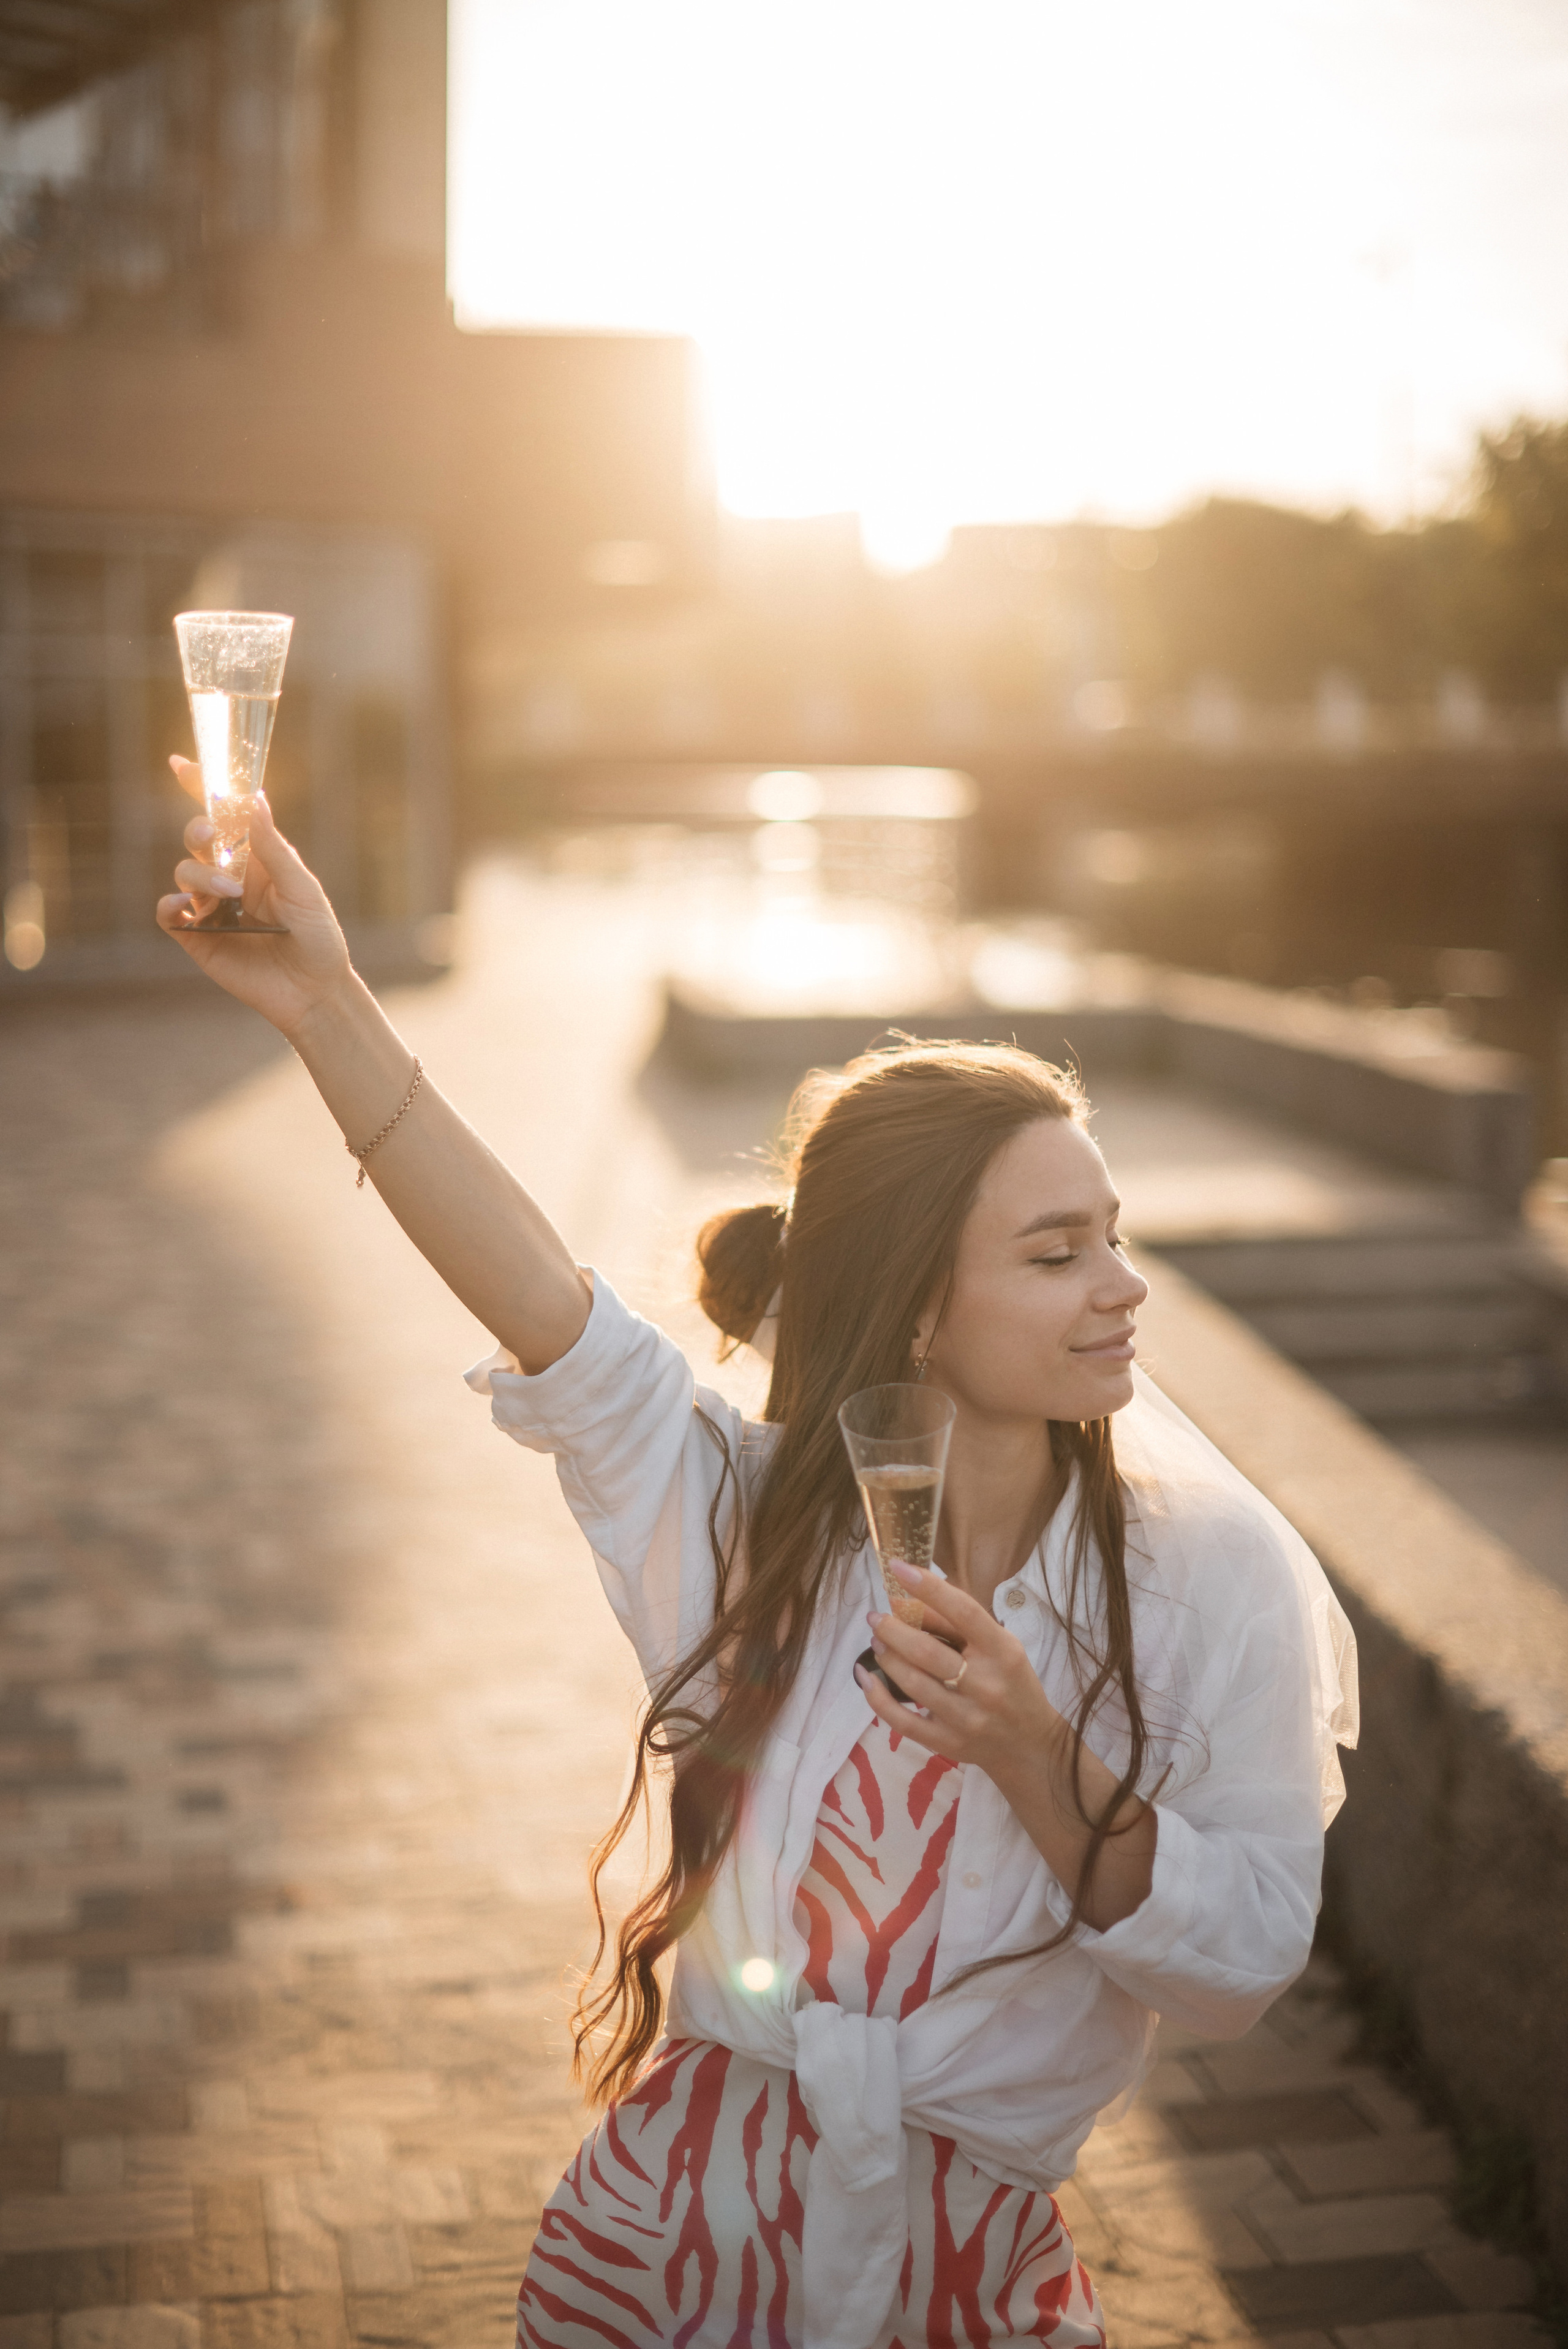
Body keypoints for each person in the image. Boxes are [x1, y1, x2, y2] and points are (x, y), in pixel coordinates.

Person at [159, 777, 1359, 2349]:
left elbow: (1246, 1958)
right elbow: (540, 1298)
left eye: (1113, 1235)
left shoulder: (1203, 1576)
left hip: (965, 2279)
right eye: (1057, 1254)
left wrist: (1023, 1742)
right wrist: (322, 1000)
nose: (1122, 1288)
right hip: (661, 2250)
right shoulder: (750, 1517)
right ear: (914, 1305)